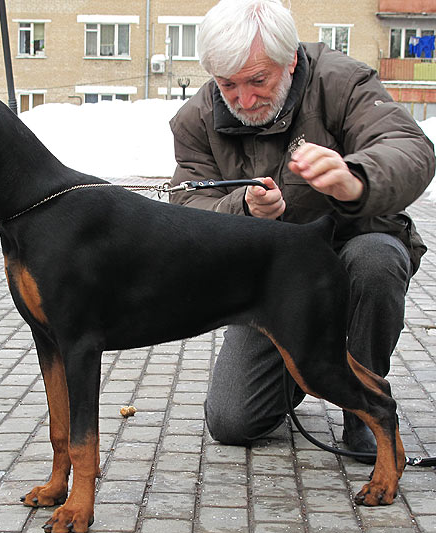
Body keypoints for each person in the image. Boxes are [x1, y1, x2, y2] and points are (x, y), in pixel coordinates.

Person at [169, 0, 436, 460]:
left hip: (349, 250)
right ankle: (307, 370)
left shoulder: (342, 81)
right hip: (268, 283)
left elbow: (410, 148)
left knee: (377, 259)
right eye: (227, 84)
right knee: (233, 422)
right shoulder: (197, 119)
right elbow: (187, 207)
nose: (243, 100)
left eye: (258, 80)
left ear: (290, 59)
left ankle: (363, 409)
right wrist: (243, 208)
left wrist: (356, 178)